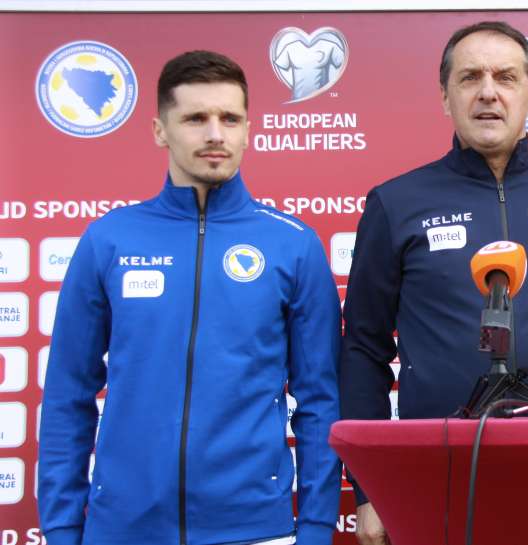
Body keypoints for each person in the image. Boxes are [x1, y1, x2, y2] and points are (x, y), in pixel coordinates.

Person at [38, 50, 342, 545]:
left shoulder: (293, 245)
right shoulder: (109, 240)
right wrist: (61, 527)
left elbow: (321, 402)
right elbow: (67, 396)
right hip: (123, 530)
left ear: (248, 130)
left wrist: (314, 528)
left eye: (230, 118)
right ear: (161, 130)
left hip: (254, 529)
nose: (216, 134)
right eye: (196, 118)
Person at [340, 21, 528, 545]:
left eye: (506, 77)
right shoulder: (395, 203)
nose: (488, 92)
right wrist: (368, 487)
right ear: (445, 97)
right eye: (470, 78)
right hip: (437, 476)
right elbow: (363, 349)